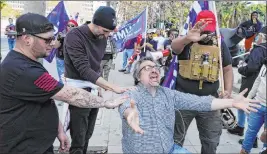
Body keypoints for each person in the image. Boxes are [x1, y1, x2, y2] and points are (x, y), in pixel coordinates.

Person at [0, 13, 128, 154]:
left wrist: (59, 130)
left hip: (38, 144)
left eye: (53, 38)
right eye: (47, 40)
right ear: (27, 39)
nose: (53, 44)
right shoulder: (24, 70)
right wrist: (106, 102)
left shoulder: (27, 63)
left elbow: (48, 98)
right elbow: (71, 95)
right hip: (22, 148)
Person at [118, 57, 260, 153]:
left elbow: (200, 102)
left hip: (170, 149)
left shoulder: (169, 94)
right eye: (147, 68)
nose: (154, 70)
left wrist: (233, 102)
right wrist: (129, 114)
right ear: (137, 76)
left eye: (155, 67)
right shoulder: (132, 94)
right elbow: (125, 106)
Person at [63, 6, 133, 154]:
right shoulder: (75, 36)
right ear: (95, 24)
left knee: (88, 132)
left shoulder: (102, 37)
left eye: (109, 32)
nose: (107, 35)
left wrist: (101, 88)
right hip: (78, 89)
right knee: (79, 136)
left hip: (94, 88)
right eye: (105, 31)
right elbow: (84, 70)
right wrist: (112, 87)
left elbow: (96, 66)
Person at [171, 10, 234, 154]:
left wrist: (228, 91)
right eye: (203, 29)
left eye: (209, 30)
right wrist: (187, 38)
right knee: (175, 139)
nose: (206, 33)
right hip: (184, 99)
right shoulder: (186, 41)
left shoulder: (219, 43)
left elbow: (228, 69)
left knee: (211, 142)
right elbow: (174, 48)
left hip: (210, 101)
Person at [228, 26, 267, 147]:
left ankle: (244, 131)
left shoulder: (259, 49)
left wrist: (241, 68)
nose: (257, 37)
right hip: (257, 84)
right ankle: (242, 128)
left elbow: (252, 67)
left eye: (259, 35)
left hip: (251, 81)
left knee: (245, 106)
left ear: (263, 37)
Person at [239, 61, 267, 154]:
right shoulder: (264, 63)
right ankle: (244, 151)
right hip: (257, 103)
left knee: (266, 136)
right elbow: (258, 80)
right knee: (251, 131)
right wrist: (249, 98)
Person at [54, 19, 78, 84]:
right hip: (61, 58)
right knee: (62, 78)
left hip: (72, 60)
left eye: (72, 26)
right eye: (68, 25)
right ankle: (63, 91)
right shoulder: (62, 34)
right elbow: (55, 46)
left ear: (76, 27)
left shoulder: (79, 36)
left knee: (71, 79)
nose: (70, 27)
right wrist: (59, 38)